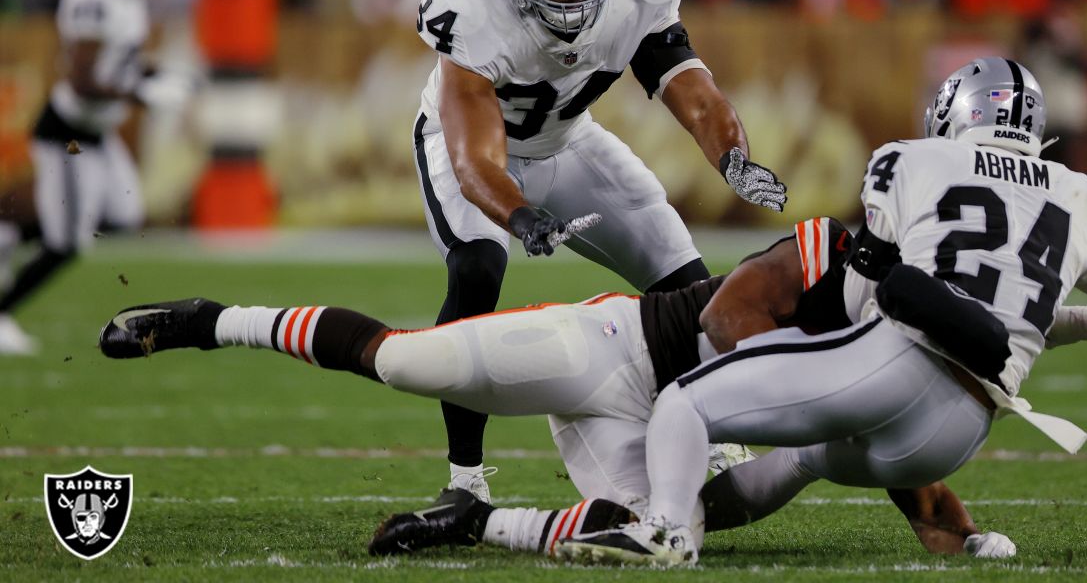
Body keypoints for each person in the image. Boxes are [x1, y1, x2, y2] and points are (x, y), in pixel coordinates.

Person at [559, 57, 1087, 566]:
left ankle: (665, 527)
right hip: (961, 433)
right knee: (811, 451)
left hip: (898, 365)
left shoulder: (915, 158)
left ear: (955, 113)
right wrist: (1047, 325)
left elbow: (864, 297)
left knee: (685, 403)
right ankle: (962, 536)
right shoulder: (1078, 194)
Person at [97, 215, 1015, 560]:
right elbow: (728, 321)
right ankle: (212, 319)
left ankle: (479, 524)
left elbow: (885, 429)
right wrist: (758, 407)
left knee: (680, 533)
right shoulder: (838, 248)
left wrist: (953, 530)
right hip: (614, 350)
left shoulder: (908, 325)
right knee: (408, 360)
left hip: (668, 418)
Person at [408, 0, 786, 500]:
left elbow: (693, 92)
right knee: (477, 270)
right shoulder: (470, 6)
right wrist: (523, 216)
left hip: (570, 143)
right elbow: (475, 163)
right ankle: (466, 479)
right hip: (469, 157)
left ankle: (713, 437)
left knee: (693, 290)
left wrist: (733, 158)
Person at [0, 0, 192, 355]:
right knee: (67, 244)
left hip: (98, 135)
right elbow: (83, 82)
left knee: (125, 216)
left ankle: (9, 236)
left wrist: (157, 75)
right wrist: (140, 93)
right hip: (69, 134)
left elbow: (121, 61)